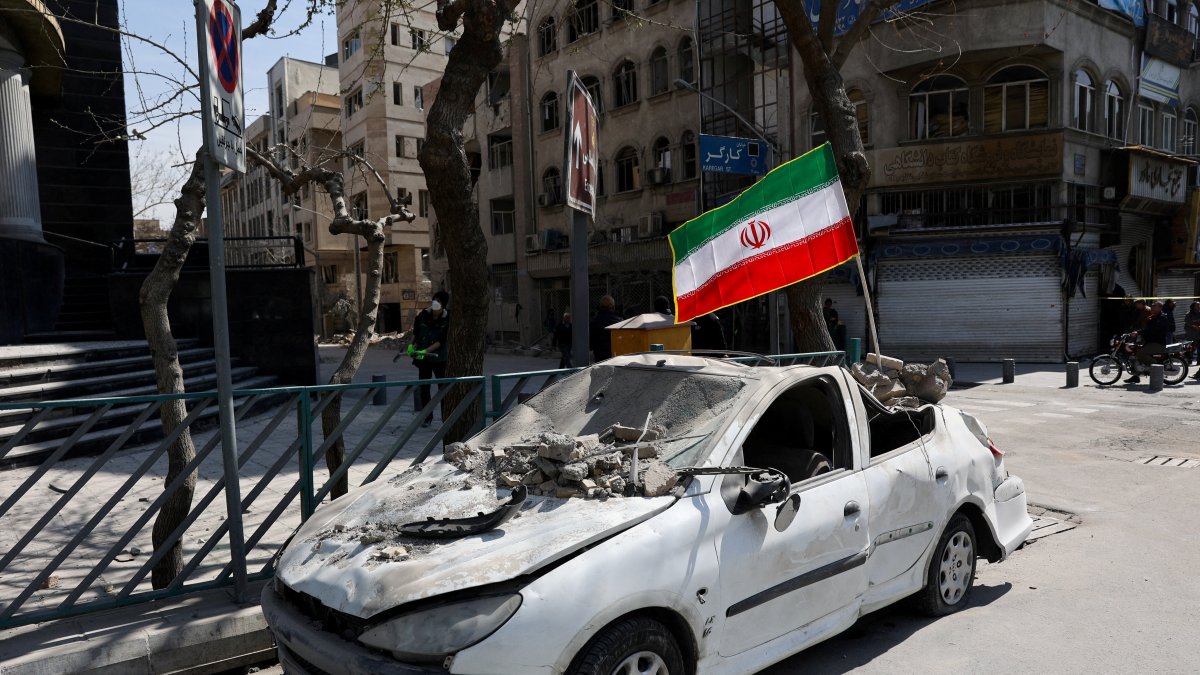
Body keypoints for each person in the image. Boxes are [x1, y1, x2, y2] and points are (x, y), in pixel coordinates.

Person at [408, 298, 449, 425]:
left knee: (442, 388)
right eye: (434, 312)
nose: (436, 314)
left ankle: (445, 418)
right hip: (424, 360)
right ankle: (427, 417)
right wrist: (411, 345)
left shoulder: (447, 319)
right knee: (424, 388)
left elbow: (441, 341)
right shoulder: (423, 316)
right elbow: (416, 332)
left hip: (439, 358)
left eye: (438, 312)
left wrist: (425, 351)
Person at [1126, 300, 1171, 384]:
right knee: (1136, 353)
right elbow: (1146, 328)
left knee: (1141, 354)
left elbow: (1152, 329)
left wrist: (1138, 332)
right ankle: (1136, 376)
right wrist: (1136, 331)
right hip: (1150, 341)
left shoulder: (1162, 318)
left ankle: (1157, 367)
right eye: (1152, 305)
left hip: (1158, 343)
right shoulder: (1154, 316)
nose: (1152, 307)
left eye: (1154, 306)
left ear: (1160, 308)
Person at [589, 295, 623, 362]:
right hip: (615, 356)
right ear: (613, 307)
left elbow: (591, 343)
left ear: (600, 307)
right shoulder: (619, 322)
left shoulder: (594, 322)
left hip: (599, 356)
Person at [1184, 301, 1200, 372]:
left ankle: (1198, 361)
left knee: (1199, 348)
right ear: (1193, 306)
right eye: (1197, 305)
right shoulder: (1189, 314)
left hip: (1198, 334)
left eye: (1199, 305)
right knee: (1190, 347)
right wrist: (1195, 326)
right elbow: (1188, 322)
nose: (1199, 306)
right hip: (1191, 333)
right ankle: (1189, 360)